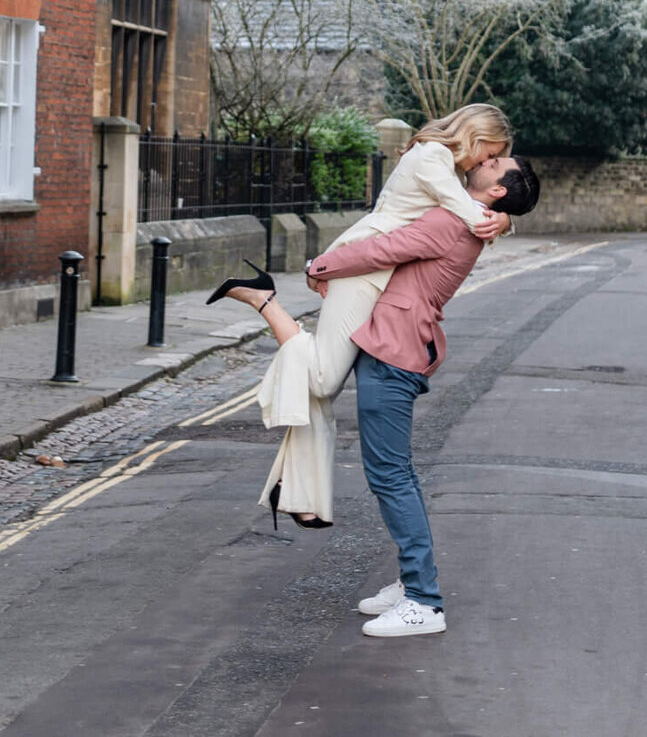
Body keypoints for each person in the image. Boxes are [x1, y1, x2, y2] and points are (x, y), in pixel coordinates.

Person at [209, 105, 514, 528]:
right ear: (475, 136)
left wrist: (503, 216)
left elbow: (463, 208)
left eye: (490, 161)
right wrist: (501, 218)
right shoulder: (432, 158)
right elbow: (466, 214)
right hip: (364, 267)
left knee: (321, 392)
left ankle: (298, 495)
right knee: (322, 380)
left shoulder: (442, 164)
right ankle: (263, 299)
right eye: (488, 154)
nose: (482, 164)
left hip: (377, 273)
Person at [289, 151, 541, 637]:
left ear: (498, 191)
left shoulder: (455, 223)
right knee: (394, 473)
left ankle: (424, 601)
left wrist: (319, 264)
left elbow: (386, 249)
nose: (484, 159)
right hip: (394, 344)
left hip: (393, 351)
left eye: (494, 163)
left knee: (390, 476)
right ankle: (412, 583)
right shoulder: (469, 216)